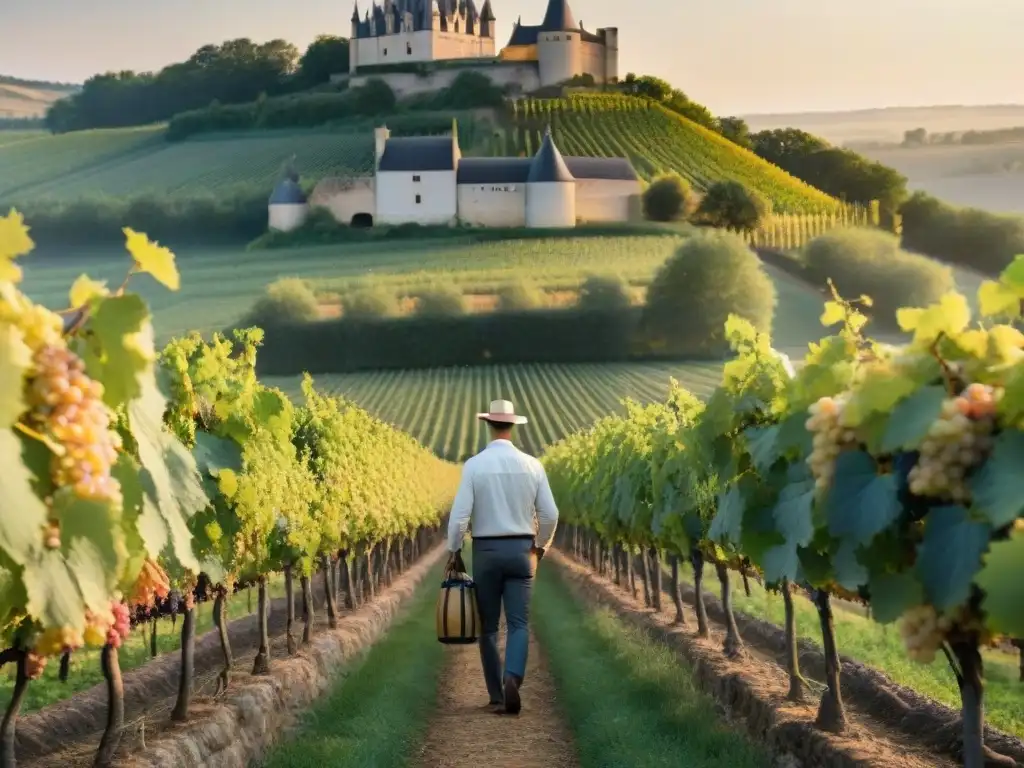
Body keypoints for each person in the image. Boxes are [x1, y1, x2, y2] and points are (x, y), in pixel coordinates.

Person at [446, 399, 559, 716]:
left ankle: (497, 695)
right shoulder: (533, 465)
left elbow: (458, 519)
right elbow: (550, 514)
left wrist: (454, 550)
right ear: (512, 426)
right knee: (520, 623)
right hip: (522, 550)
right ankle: (513, 677)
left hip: (487, 552)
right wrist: (540, 545)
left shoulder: (474, 465)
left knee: (489, 628)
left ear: (488, 425)